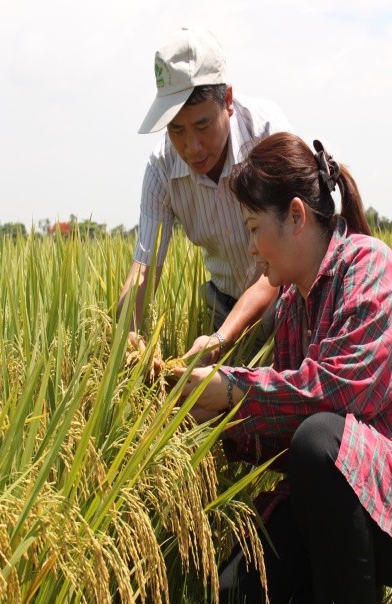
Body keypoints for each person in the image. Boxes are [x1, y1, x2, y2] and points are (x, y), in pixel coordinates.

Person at [173, 132, 392, 604]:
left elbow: (333, 392)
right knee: (242, 595)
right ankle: (329, 596)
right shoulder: (293, 304)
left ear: (295, 216)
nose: (249, 248)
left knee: (318, 441)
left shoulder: (371, 269)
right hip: (351, 499)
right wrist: (211, 420)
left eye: (252, 227)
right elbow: (283, 422)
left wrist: (231, 389)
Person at [118, 27, 291, 362]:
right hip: (223, 302)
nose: (191, 147)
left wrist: (222, 338)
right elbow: (145, 267)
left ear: (226, 100)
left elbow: (280, 262)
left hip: (288, 302)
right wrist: (128, 333)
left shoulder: (268, 136)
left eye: (202, 126)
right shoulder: (162, 169)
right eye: (176, 130)